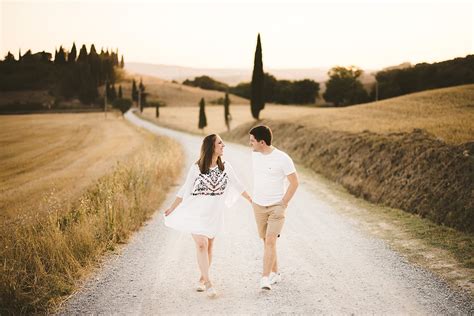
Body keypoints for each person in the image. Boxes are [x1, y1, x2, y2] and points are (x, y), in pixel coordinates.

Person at [163, 134, 252, 298]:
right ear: (212, 147)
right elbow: (185, 190)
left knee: (209, 247)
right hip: (195, 212)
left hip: (214, 214)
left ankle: (202, 279)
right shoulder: (196, 168)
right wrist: (172, 207)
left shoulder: (225, 167)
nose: (223, 145)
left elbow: (238, 185)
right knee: (202, 244)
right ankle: (209, 283)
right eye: (220, 143)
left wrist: (252, 201)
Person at [249, 125, 299, 290]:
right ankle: (275, 273)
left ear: (262, 142)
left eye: (252, 141)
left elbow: (294, 182)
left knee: (270, 240)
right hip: (258, 206)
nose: (250, 144)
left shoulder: (283, 158)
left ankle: (264, 278)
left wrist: (283, 203)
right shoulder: (254, 156)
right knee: (267, 241)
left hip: (276, 206)